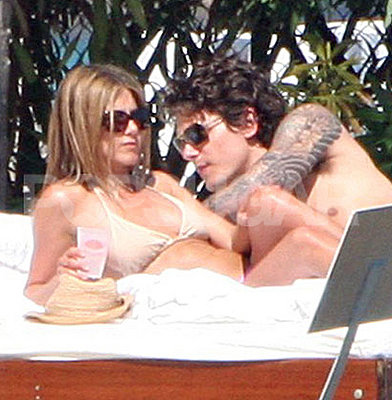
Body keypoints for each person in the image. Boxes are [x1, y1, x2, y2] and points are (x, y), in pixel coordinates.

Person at [25, 64, 249, 306]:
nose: (133, 130)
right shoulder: (65, 200)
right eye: (117, 120)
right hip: (181, 316)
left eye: (140, 118)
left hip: (246, 290)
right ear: (82, 125)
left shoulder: (161, 184)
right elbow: (34, 293)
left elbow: (234, 240)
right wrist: (62, 280)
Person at [163, 53, 392, 286]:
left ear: (247, 122)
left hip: (382, 272)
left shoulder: (310, 123)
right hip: (351, 299)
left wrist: (184, 203)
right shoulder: (234, 221)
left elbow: (268, 178)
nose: (188, 153)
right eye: (181, 143)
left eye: (197, 135)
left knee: (269, 205)